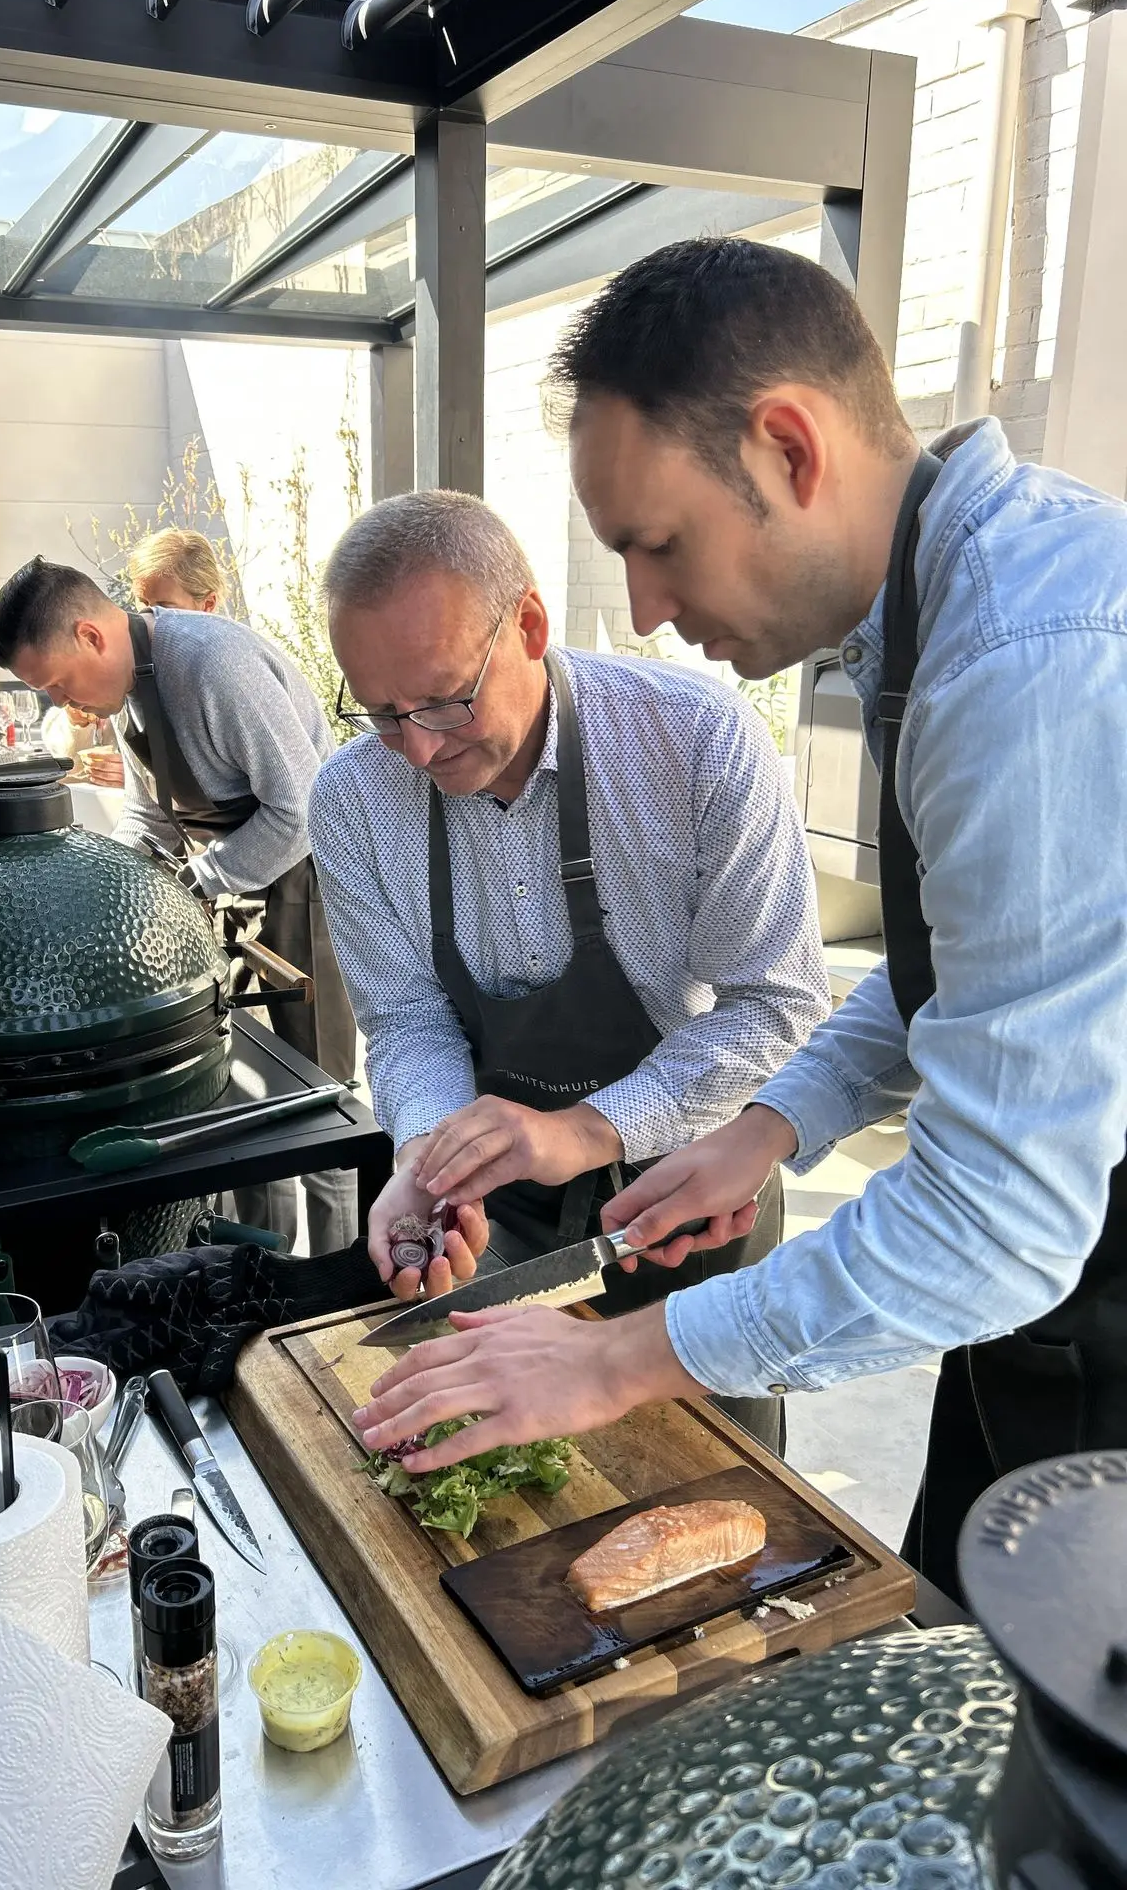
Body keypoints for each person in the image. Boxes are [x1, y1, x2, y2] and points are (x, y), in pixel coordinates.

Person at [351, 238, 1127, 1604]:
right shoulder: (943, 616)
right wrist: (766, 1130)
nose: (648, 612)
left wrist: (613, 1360)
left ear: (789, 449)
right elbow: (956, 975)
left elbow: (994, 1218)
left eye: (658, 547)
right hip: (1054, 1311)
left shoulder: (1022, 668)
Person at [310, 490, 829, 1454]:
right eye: (381, 713)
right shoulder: (350, 799)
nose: (417, 747)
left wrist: (583, 1132)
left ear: (529, 627)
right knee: (531, 1465)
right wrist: (430, 1164)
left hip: (693, 1192)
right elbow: (408, 1018)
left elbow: (776, 1003)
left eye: (444, 700)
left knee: (722, 1479)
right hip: (500, 1206)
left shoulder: (695, 742)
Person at [0, 554, 358, 1257]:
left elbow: (303, 809)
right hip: (230, 889)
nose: (63, 705)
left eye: (58, 683)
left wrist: (196, 882)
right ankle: (263, 1274)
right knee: (247, 1100)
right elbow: (150, 818)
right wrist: (112, 886)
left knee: (314, 1102)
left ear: (92, 636)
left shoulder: (213, 666)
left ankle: (339, 1284)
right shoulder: (128, 690)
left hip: (305, 884)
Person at [76, 530, 221, 800]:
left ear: (208, 605)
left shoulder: (227, 675)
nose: (148, 617)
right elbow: (142, 807)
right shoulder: (133, 672)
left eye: (163, 607)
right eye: (143, 604)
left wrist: (151, 781)